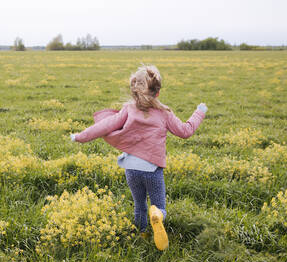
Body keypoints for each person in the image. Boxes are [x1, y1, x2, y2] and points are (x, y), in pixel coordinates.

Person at [70, 65, 207, 250]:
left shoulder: (128, 109)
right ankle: (158, 216)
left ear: (135, 90)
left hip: (131, 169)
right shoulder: (164, 113)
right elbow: (185, 131)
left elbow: (105, 126)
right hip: (152, 169)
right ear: (157, 92)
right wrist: (199, 112)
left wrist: (79, 136)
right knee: (158, 206)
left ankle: (142, 236)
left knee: (139, 205)